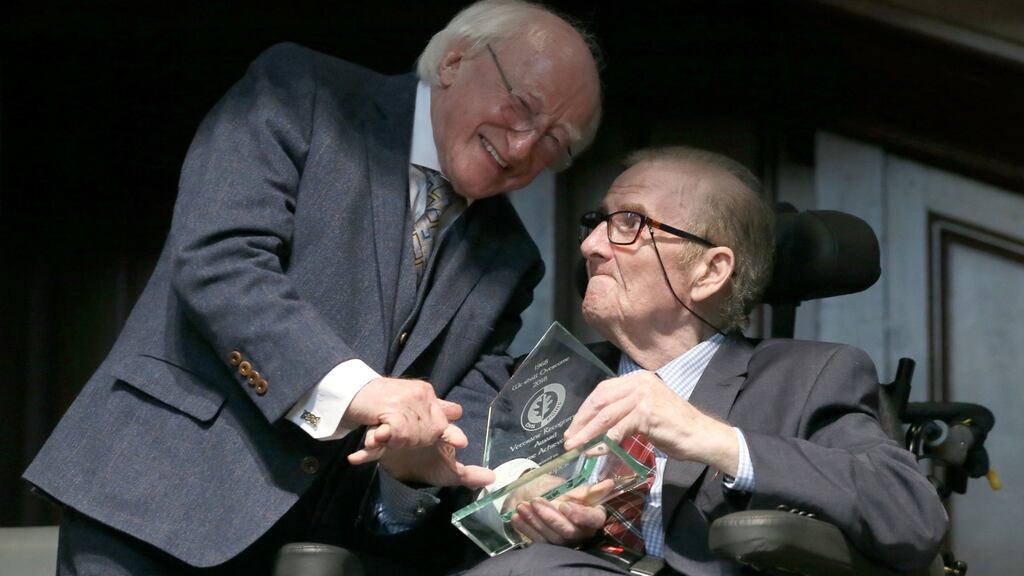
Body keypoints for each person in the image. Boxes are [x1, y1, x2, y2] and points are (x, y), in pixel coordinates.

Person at [23, 1, 602, 574]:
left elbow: (464, 410)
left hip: (319, 551)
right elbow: (221, 259)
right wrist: (362, 391)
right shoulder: (303, 91)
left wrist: (515, 490)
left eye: (557, 141)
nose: (526, 148)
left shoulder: (511, 258)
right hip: (158, 497)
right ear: (454, 61)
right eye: (522, 107)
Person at [465, 147, 947, 575]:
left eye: (630, 223)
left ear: (710, 270)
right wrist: (520, 496)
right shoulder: (545, 376)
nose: (590, 246)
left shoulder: (809, 378)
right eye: (598, 223)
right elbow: (458, 475)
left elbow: (911, 515)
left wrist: (710, 438)